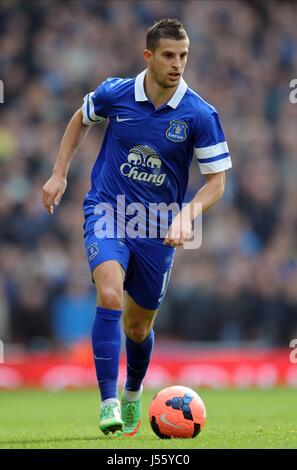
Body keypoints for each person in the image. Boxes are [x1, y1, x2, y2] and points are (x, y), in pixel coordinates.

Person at [42, 18, 232, 437]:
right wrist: (59, 174)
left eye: (183, 56)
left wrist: (187, 215)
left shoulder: (199, 113)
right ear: (148, 56)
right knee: (109, 292)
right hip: (108, 210)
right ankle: (108, 401)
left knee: (138, 326)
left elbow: (216, 182)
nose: (177, 64)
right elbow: (80, 118)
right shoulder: (116, 92)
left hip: (157, 227)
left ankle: (132, 391)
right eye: (168, 55)